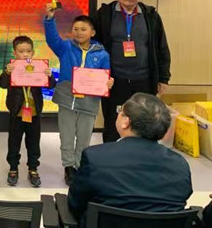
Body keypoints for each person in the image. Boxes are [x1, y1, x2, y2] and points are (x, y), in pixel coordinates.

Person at [68, 93, 192, 226]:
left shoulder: (95, 157)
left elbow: (75, 204)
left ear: (126, 122)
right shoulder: (180, 164)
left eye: (120, 111)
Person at [94, 0, 172, 143]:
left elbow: (162, 48)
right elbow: (94, 45)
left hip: (144, 79)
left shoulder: (151, 15)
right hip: (114, 80)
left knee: (146, 121)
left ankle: (142, 155)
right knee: (113, 121)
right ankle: (113, 154)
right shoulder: (104, 15)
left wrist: (164, 78)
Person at [44, 4, 114, 186]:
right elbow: (52, 39)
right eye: (75, 29)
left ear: (92, 32)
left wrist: (108, 83)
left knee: (84, 137)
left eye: (83, 29)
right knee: (66, 136)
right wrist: (50, 19)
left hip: (90, 102)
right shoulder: (65, 47)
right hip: (67, 99)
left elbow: (105, 77)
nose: (79, 32)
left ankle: (79, 165)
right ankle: (68, 167)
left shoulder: (103, 55)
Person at [0, 36, 55, 188]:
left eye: (28, 51)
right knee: (14, 142)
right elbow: (1, 84)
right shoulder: (12, 68)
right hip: (16, 113)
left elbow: (51, 86)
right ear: (14, 53)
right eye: (21, 51)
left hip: (34, 114)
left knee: (34, 143)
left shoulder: (39, 68)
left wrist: (49, 76)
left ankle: (33, 168)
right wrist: (7, 73)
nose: (25, 54)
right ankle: (13, 168)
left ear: (33, 52)